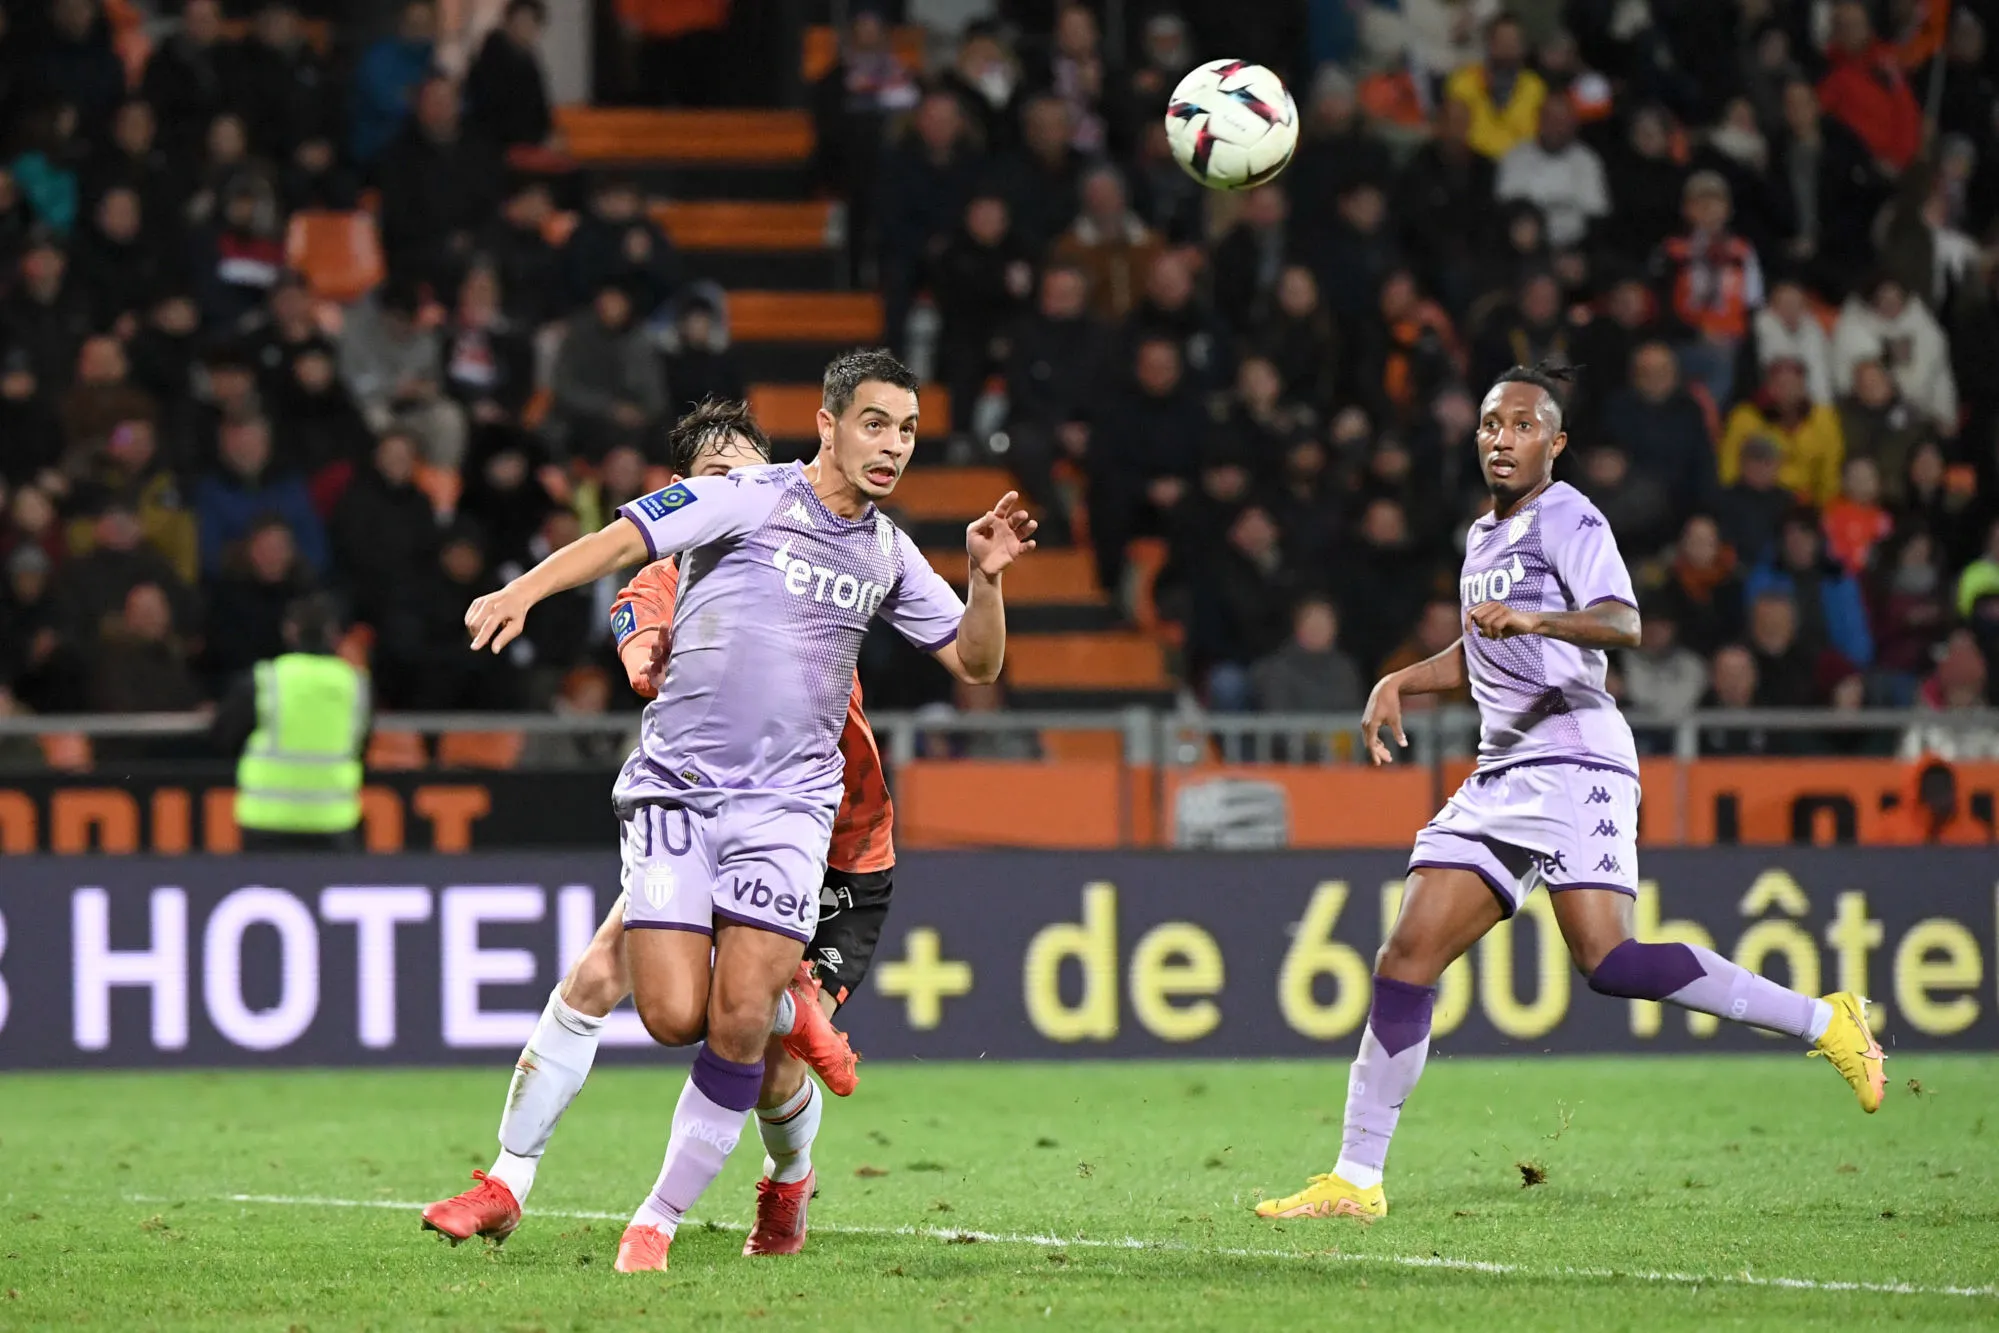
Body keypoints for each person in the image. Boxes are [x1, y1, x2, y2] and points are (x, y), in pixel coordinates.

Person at [1256, 363, 1888, 1225]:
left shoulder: (1568, 515)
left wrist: (1541, 619)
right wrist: (1401, 678)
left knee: (1610, 963)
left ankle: (1826, 1020)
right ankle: (1355, 1179)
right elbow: (1485, 656)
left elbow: (1621, 620)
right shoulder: (1481, 538)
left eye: (1519, 426)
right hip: (1502, 767)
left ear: (1553, 443)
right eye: (1488, 425)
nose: (1499, 439)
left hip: (1576, 759)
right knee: (1405, 956)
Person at [458, 351, 1033, 1271]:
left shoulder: (887, 550)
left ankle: (656, 1218)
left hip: (792, 811)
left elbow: (977, 664)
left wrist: (987, 579)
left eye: (909, 431)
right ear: (829, 424)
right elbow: (626, 544)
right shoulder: (747, 496)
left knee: (740, 1021)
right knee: (672, 1014)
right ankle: (779, 1035)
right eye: (876, 424)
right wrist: (524, 589)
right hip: (680, 797)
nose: (892, 447)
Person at [423, 399, 901, 1254]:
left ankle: (787, 1183)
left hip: (835, 848)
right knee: (602, 973)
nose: (742, 492)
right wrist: (654, 657)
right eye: (720, 479)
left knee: (766, 1059)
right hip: (706, 811)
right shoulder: (659, 578)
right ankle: (506, 1179)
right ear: (680, 495)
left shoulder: (811, 562)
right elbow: (640, 643)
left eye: (755, 475)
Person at [214, 592, 368, 851]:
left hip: (267, 820)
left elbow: (224, 735)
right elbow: (362, 742)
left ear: (290, 630)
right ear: (333, 633)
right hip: (332, 821)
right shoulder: (356, 684)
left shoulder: (265, 679)